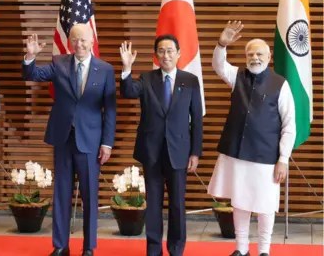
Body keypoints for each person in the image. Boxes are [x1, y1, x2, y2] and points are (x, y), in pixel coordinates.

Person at [21, 23, 116, 256]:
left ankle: (89, 247)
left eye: (83, 40)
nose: (79, 44)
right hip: (63, 138)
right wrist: (30, 57)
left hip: (91, 141)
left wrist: (107, 142)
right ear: (69, 42)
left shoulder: (105, 69)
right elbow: (32, 74)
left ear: (92, 41)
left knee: (90, 196)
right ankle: (61, 245)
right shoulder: (59, 63)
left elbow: (110, 110)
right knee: (61, 194)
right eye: (74, 40)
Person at [207, 21, 296, 256]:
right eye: (250, 53)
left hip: (267, 157)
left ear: (268, 57)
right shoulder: (237, 75)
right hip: (237, 153)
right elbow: (218, 65)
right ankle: (241, 249)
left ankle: (264, 250)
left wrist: (284, 159)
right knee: (240, 202)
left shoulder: (281, 84)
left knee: (265, 206)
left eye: (259, 53)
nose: (254, 57)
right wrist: (221, 43)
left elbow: (289, 125)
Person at [119, 35, 203, 256]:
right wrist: (127, 68)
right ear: (156, 55)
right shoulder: (147, 79)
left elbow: (197, 119)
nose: (166, 55)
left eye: (170, 51)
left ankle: (176, 249)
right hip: (152, 151)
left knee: (177, 205)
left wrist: (195, 152)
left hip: (179, 152)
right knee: (154, 205)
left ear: (179, 53)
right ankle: (154, 250)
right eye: (161, 51)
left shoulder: (191, 80)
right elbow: (128, 92)